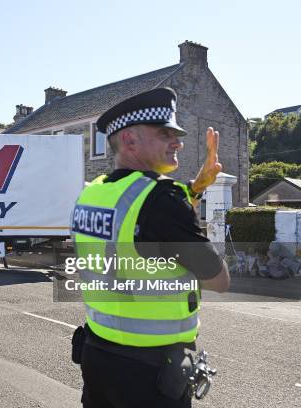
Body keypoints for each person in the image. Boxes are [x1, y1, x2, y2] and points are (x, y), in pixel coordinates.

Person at [71, 88, 230, 408]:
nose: (178, 142)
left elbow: (146, 221)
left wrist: (197, 186)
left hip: (98, 354)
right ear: (130, 140)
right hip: (149, 372)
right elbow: (219, 280)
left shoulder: (92, 193)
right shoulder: (160, 200)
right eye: (164, 133)